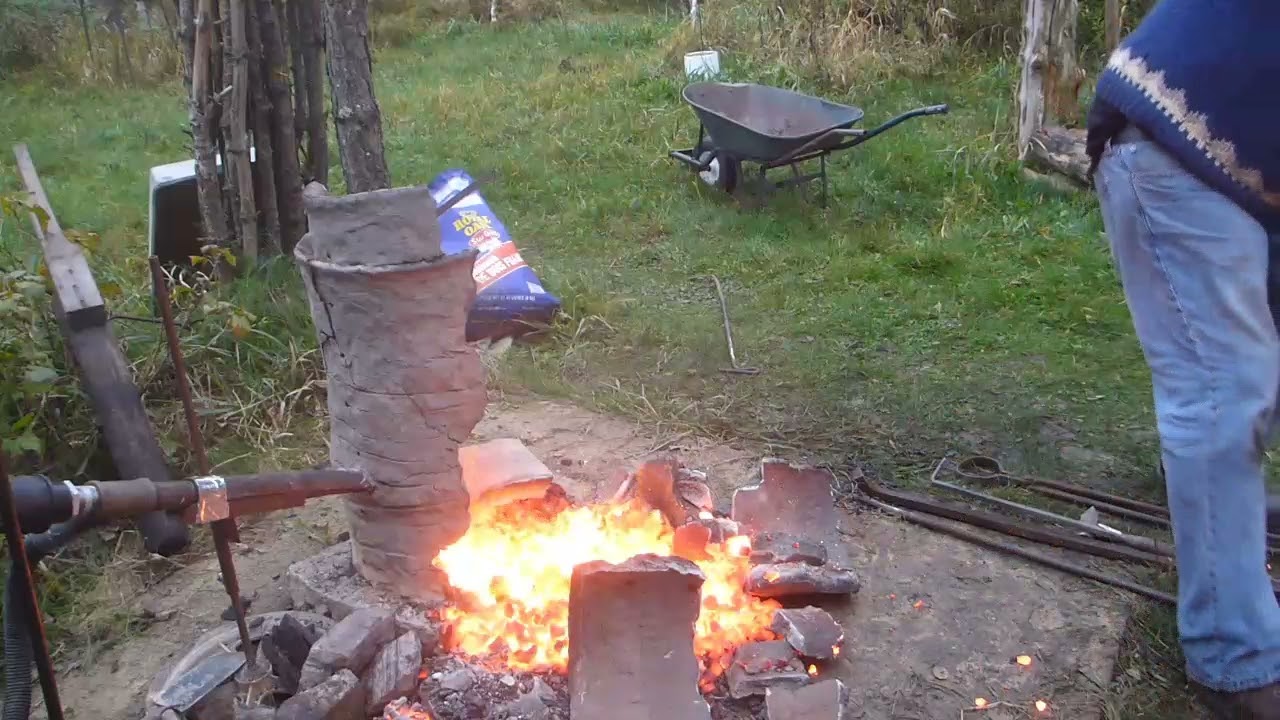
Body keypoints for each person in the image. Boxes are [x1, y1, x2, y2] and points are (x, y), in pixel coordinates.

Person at [1086, 1, 1280, 717]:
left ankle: (1224, 516)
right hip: (1175, 144)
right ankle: (1235, 666)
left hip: (1232, 157)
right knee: (1224, 392)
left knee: (1240, 394)